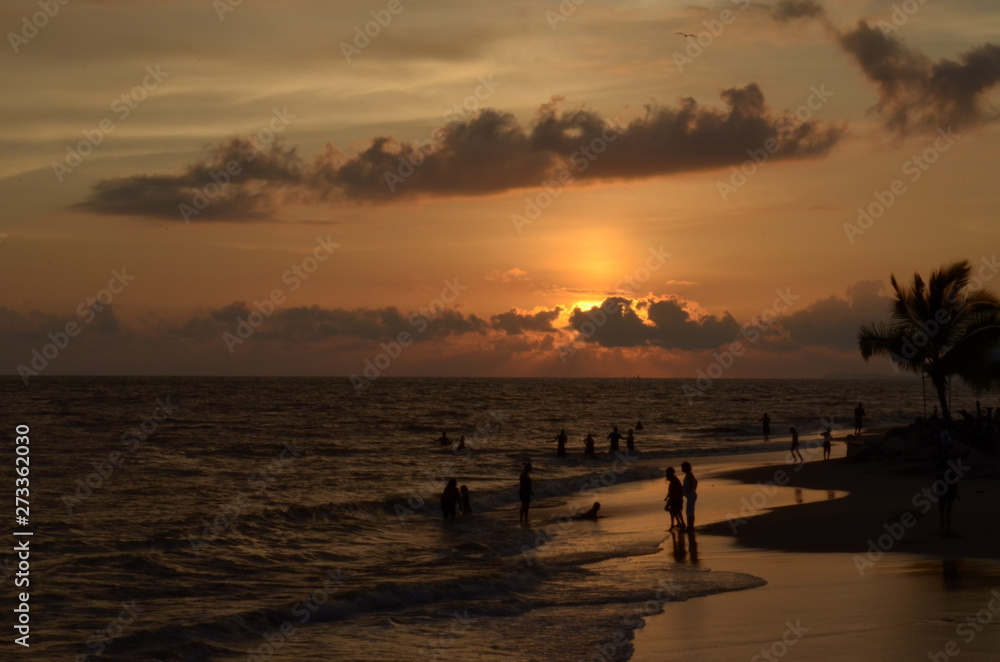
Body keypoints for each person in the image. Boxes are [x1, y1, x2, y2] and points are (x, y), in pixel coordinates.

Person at [681, 462, 698, 531]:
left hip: (691, 495)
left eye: (682, 467)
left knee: (689, 512)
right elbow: (695, 482)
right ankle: (690, 526)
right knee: (690, 511)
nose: (682, 469)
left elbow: (694, 482)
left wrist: (690, 491)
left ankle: (690, 527)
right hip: (691, 495)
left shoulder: (689, 475)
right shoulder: (689, 475)